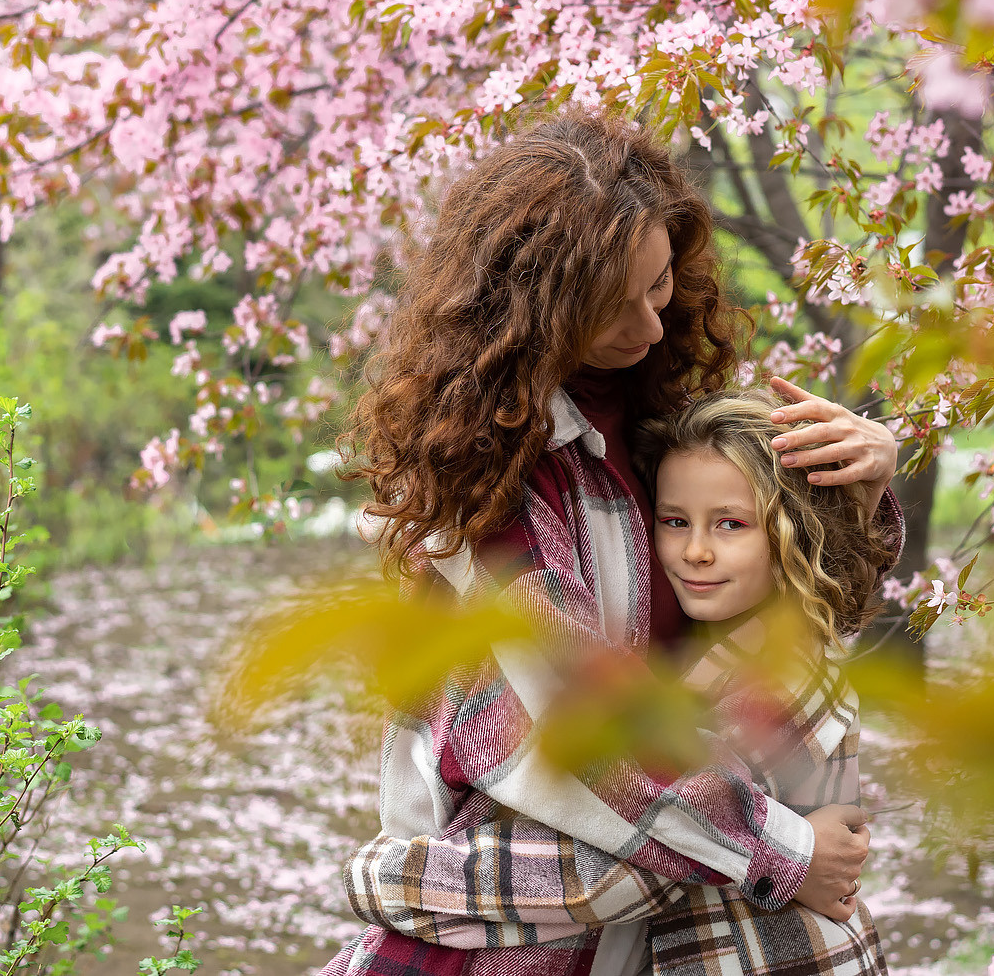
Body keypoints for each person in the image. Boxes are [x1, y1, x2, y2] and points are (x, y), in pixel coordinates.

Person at [321, 113, 901, 976]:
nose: (653, 326)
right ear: (534, 310)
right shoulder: (489, 496)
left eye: (661, 283)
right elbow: (586, 734)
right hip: (517, 943)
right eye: (609, 306)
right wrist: (781, 849)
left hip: (649, 925)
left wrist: (860, 489)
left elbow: (801, 601)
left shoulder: (658, 415)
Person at [342, 388, 900, 976]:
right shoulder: (725, 641)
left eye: (731, 525)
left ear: (793, 533)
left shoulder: (783, 675)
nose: (696, 551)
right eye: (675, 521)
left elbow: (622, 871)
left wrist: (391, 881)